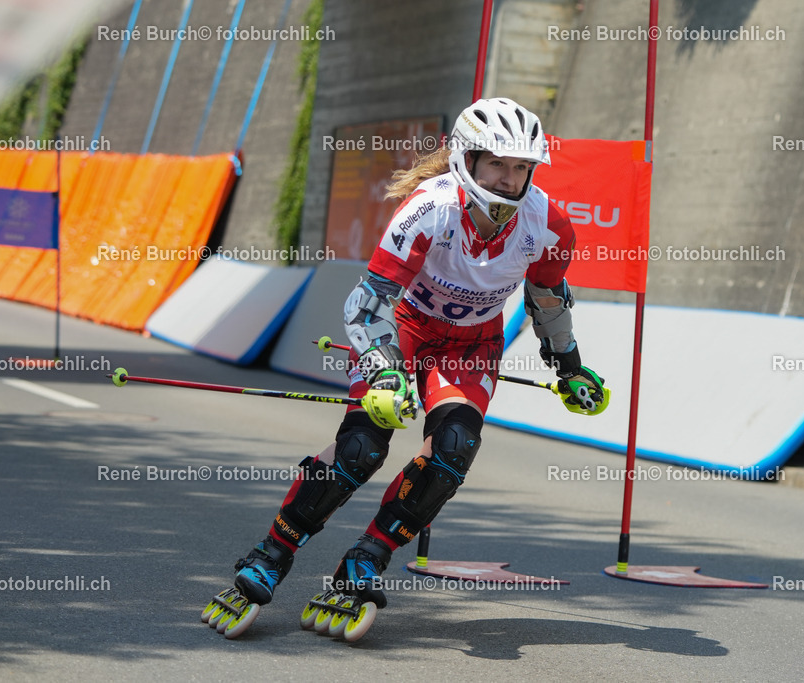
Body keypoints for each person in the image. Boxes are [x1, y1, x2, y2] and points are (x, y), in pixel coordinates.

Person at [231, 97, 605, 614]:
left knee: (453, 447)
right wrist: (385, 372)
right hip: (399, 331)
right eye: (496, 163)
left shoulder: (549, 226)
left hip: (470, 345)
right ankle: (272, 553)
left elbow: (547, 299)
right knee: (362, 450)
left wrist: (569, 367)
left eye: (520, 167)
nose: (507, 179)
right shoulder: (429, 210)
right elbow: (367, 306)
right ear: (466, 159)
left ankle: (366, 557)